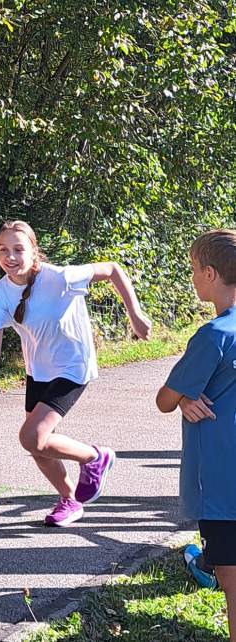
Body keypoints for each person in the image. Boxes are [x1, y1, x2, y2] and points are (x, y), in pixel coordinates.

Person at [0, 220, 152, 526]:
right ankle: (69, 499)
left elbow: (111, 270)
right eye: (3, 250)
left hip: (72, 367)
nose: (10, 256)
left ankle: (96, 458)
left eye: (18, 249)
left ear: (33, 251)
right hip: (38, 372)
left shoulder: (59, 278)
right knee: (39, 446)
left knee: (32, 436)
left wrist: (135, 315)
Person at [156, 230, 236, 638]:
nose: (191, 277)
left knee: (232, 582)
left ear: (209, 274)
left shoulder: (214, 335)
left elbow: (165, 399)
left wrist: (184, 398)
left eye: (192, 270)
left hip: (224, 488)